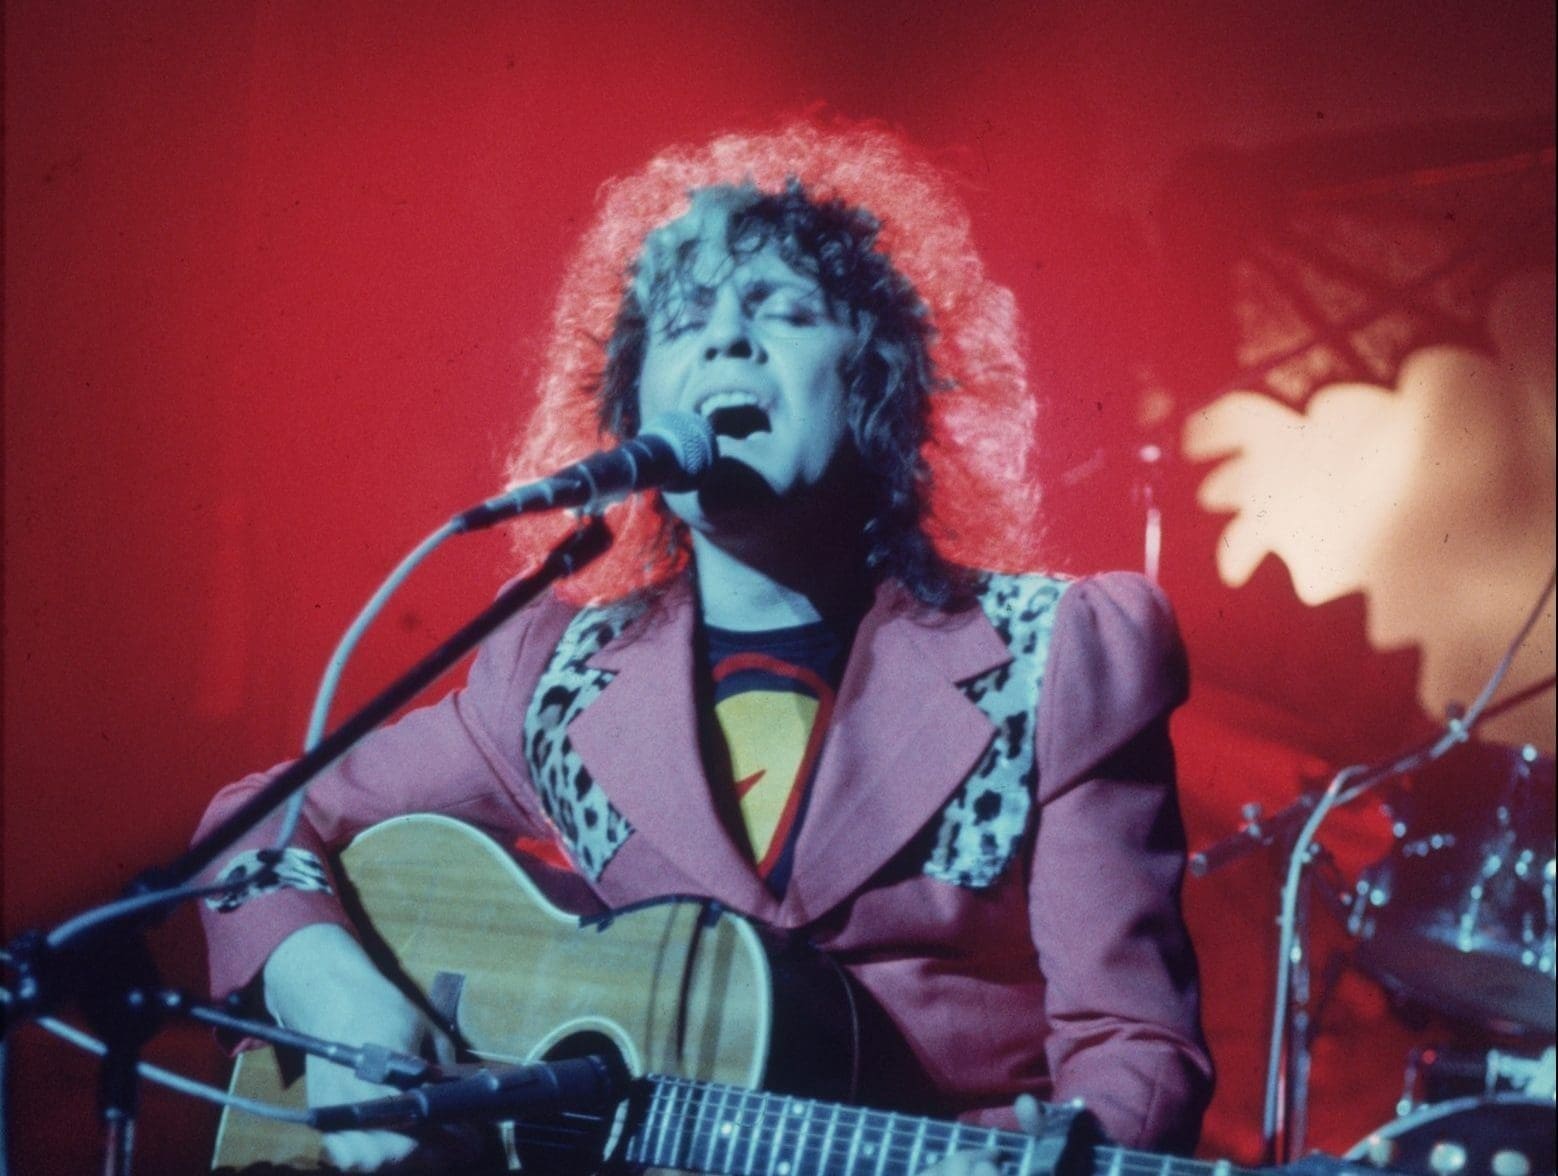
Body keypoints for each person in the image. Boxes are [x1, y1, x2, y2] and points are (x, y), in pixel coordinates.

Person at [195, 123, 1214, 1173]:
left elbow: (1131, 1051)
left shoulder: (1057, 655)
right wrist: (338, 1002)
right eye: (684, 322)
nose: (726, 341)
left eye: (784, 311)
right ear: (634, 404)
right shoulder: (554, 676)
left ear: (880, 376)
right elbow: (252, 825)